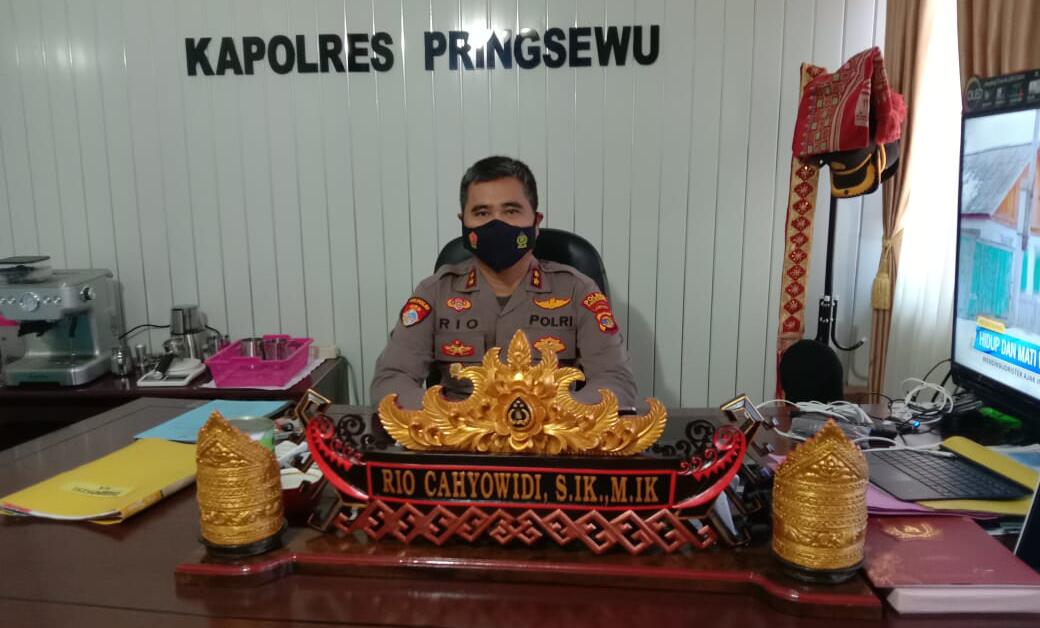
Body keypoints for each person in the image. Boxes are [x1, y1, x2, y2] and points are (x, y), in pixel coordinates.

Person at [370, 156, 637, 410]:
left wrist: (555, 415)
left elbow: (615, 380)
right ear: (464, 224)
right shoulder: (434, 293)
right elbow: (391, 380)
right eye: (482, 212)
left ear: (535, 223)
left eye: (510, 210)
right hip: (457, 434)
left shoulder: (577, 291)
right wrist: (456, 415)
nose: (496, 223)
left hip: (552, 433)